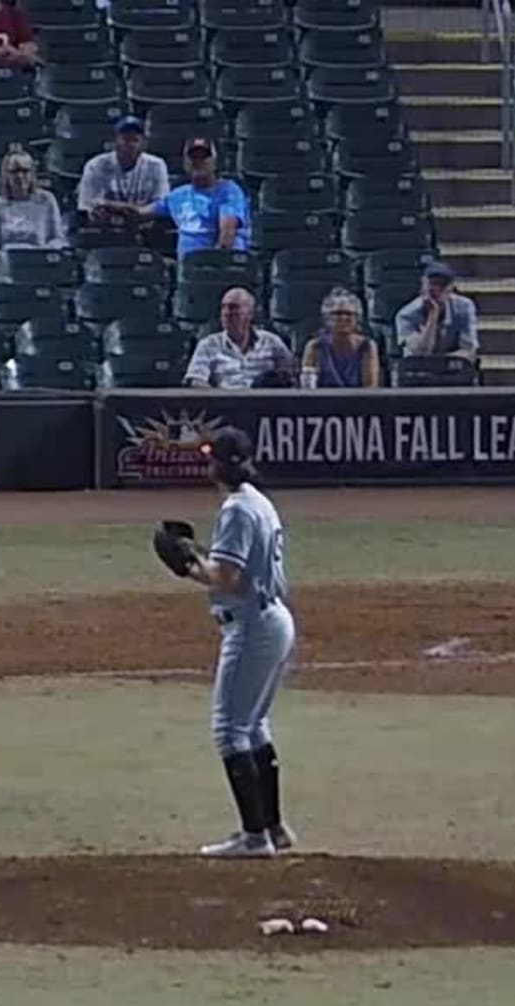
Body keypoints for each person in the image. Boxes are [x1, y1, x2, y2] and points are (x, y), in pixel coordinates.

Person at [156, 426, 299, 860]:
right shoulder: (258, 501)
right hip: (274, 620)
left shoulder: (237, 509)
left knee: (229, 729)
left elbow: (229, 580)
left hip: (252, 626)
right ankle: (273, 828)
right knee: (253, 726)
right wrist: (197, 549)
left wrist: (186, 567)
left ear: (217, 465)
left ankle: (255, 837)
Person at [140, 138, 248, 259]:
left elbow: (227, 237)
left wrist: (210, 265)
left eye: (204, 157)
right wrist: (116, 207)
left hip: (222, 267)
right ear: (185, 163)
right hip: (188, 271)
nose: (198, 162)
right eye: (193, 157)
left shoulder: (229, 191)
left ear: (214, 161)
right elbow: (139, 213)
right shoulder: (178, 195)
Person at [186, 287, 295, 389]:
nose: (226, 313)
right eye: (223, 307)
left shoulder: (272, 342)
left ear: (250, 314)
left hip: (264, 405)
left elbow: (290, 375)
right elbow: (196, 380)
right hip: (223, 404)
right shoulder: (208, 345)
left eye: (233, 307)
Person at [77, 115, 170, 227]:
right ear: (115, 141)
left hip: (145, 230)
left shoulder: (156, 165)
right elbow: (88, 207)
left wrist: (114, 206)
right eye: (125, 139)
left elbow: (161, 206)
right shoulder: (96, 165)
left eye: (135, 140)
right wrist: (128, 210)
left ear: (144, 144)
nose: (129, 145)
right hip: (105, 231)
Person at [0, 146, 66, 250]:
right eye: (14, 171)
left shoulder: (47, 200)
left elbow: (57, 239)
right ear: (6, 175)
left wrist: (43, 253)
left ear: (32, 174)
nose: (20, 176)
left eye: (25, 171)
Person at [300, 288, 383, 388]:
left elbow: (370, 387)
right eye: (337, 313)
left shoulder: (367, 346)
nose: (343, 318)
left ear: (357, 318)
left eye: (349, 314)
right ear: (326, 318)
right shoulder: (315, 346)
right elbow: (308, 387)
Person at [396, 262, 481, 359]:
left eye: (442, 285)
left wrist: (439, 363)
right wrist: (432, 316)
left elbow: (468, 350)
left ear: (451, 288)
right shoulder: (406, 315)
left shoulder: (464, 306)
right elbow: (420, 353)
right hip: (418, 369)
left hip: (453, 368)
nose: (436, 290)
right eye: (432, 284)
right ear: (423, 286)